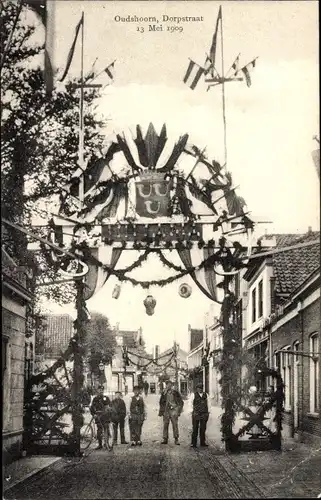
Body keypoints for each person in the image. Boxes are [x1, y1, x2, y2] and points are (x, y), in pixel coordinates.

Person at [159, 380, 184, 445]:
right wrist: (162, 411)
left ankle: (176, 439)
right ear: (166, 385)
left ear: (172, 385)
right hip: (166, 411)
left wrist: (178, 409)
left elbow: (181, 401)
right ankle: (165, 439)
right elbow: (161, 402)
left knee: (175, 425)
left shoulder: (175, 392)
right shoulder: (164, 393)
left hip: (174, 410)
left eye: (170, 384)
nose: (169, 386)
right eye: (167, 384)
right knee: (165, 425)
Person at [89, 385, 112, 450]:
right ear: (97, 390)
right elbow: (91, 408)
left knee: (106, 431)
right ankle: (100, 445)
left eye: (102, 390)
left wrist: (109, 415)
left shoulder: (106, 398)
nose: (101, 391)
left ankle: (107, 444)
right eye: (100, 390)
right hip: (98, 417)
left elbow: (109, 407)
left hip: (105, 417)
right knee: (99, 431)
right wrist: (93, 414)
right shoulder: (95, 399)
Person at [191, 383, 209, 448]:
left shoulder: (206, 394)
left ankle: (202, 442)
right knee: (195, 428)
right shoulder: (193, 395)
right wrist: (191, 411)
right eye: (198, 388)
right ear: (197, 388)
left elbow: (208, 403)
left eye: (201, 388)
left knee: (203, 428)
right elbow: (190, 403)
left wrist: (208, 412)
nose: (200, 389)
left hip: (204, 413)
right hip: (196, 413)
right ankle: (193, 443)